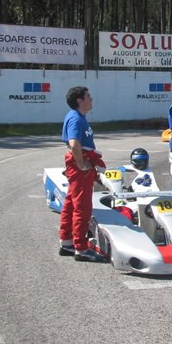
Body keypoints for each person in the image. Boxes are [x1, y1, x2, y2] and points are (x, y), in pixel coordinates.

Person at [58, 86, 108, 262]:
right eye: (88, 96)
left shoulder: (78, 117)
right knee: (82, 207)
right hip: (80, 168)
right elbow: (73, 143)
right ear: (80, 100)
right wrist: (82, 164)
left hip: (78, 166)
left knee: (71, 203)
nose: (91, 99)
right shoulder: (76, 119)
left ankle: (67, 242)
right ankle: (81, 247)